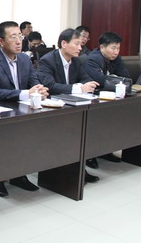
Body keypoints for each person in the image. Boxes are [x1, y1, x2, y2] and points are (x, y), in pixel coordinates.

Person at [0, 21, 48, 197]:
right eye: (13, 37)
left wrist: (39, 90)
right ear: (1, 41)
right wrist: (26, 93)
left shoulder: (24, 58)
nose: (18, 41)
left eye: (20, 36)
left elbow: (33, 81)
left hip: (22, 109)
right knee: (5, 137)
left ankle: (19, 175)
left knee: (33, 133)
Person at [36, 28, 100, 183]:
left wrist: (89, 84)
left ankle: (79, 168)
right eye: (76, 44)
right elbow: (50, 86)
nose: (80, 48)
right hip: (51, 108)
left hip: (71, 106)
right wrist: (78, 88)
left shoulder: (77, 61)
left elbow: (85, 78)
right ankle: (66, 171)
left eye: (81, 44)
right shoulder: (47, 60)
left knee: (85, 128)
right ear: (64, 44)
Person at [83, 31, 128, 168]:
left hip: (110, 97)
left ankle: (105, 150)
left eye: (118, 48)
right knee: (99, 122)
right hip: (94, 98)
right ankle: (90, 155)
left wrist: (115, 80)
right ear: (102, 47)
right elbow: (101, 81)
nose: (116, 52)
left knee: (115, 120)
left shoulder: (117, 59)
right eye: (113, 48)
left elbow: (126, 78)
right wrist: (116, 79)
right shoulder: (93, 59)